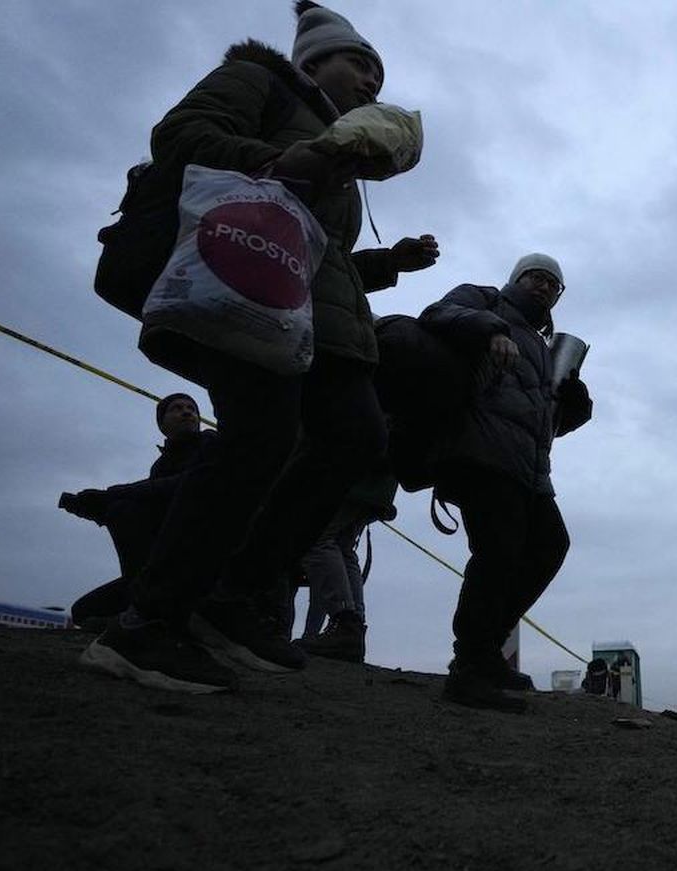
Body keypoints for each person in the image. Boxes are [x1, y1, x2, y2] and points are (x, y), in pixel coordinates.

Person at [80, 1, 438, 694]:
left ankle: (233, 596)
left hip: (307, 321)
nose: (370, 80)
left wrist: (388, 263)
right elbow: (181, 135)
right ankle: (147, 624)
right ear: (311, 61)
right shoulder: (258, 80)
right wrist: (278, 158)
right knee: (262, 440)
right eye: (356, 62)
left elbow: (315, 259)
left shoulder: (341, 150)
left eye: (378, 71)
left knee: (352, 439)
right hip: (238, 293)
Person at [418, 253, 593, 712]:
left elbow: (540, 419)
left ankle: (486, 649)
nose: (544, 287)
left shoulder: (542, 344)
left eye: (553, 284)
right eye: (536, 277)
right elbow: (436, 314)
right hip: (480, 449)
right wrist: (490, 329)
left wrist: (574, 406)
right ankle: (470, 666)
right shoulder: (486, 302)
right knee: (497, 553)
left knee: (549, 546)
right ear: (517, 278)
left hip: (530, 468)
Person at [61, 393, 217, 628]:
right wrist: (97, 507)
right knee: (83, 611)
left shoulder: (211, 443)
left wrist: (111, 495)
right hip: (165, 566)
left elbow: (189, 485)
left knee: (124, 509)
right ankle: (142, 597)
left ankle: (152, 607)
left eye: (191, 408)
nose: (186, 412)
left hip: (204, 558)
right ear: (162, 424)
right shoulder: (161, 466)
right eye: (176, 408)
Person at [291, 468, 398, 662]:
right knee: (343, 547)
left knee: (317, 539)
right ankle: (352, 626)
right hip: (378, 486)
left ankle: (345, 623)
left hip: (356, 478)